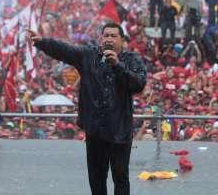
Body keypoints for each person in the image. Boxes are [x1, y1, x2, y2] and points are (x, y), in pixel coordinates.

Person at [27, 22, 147, 195]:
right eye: (106, 35)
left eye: (113, 36)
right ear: (101, 39)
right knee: (97, 178)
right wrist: (42, 42)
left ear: (122, 40)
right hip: (95, 131)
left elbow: (138, 84)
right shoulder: (88, 55)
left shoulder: (132, 59)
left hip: (120, 131)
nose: (109, 39)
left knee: (120, 178)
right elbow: (64, 50)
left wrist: (117, 65)